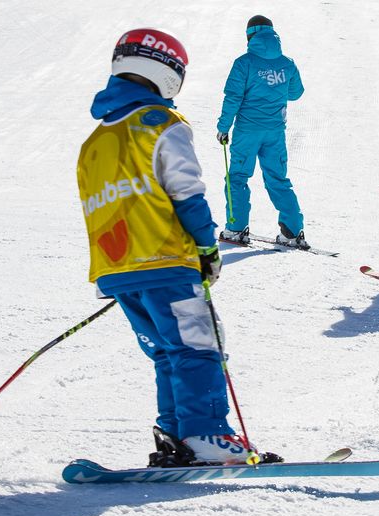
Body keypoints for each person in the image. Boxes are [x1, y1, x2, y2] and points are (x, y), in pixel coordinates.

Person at [77, 28, 272, 466]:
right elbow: (187, 193)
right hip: (167, 260)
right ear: (169, 73)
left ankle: (176, 435)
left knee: (169, 350)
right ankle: (205, 435)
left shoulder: (94, 142)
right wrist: (207, 248)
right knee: (198, 346)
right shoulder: (160, 125)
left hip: (118, 271)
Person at [216, 15, 308, 248]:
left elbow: (233, 97)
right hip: (275, 131)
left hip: (247, 131)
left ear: (250, 35)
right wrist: (274, 87)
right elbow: (296, 93)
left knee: (237, 177)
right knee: (277, 178)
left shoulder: (244, 63)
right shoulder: (287, 63)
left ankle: (236, 228)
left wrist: (223, 128)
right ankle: (293, 231)